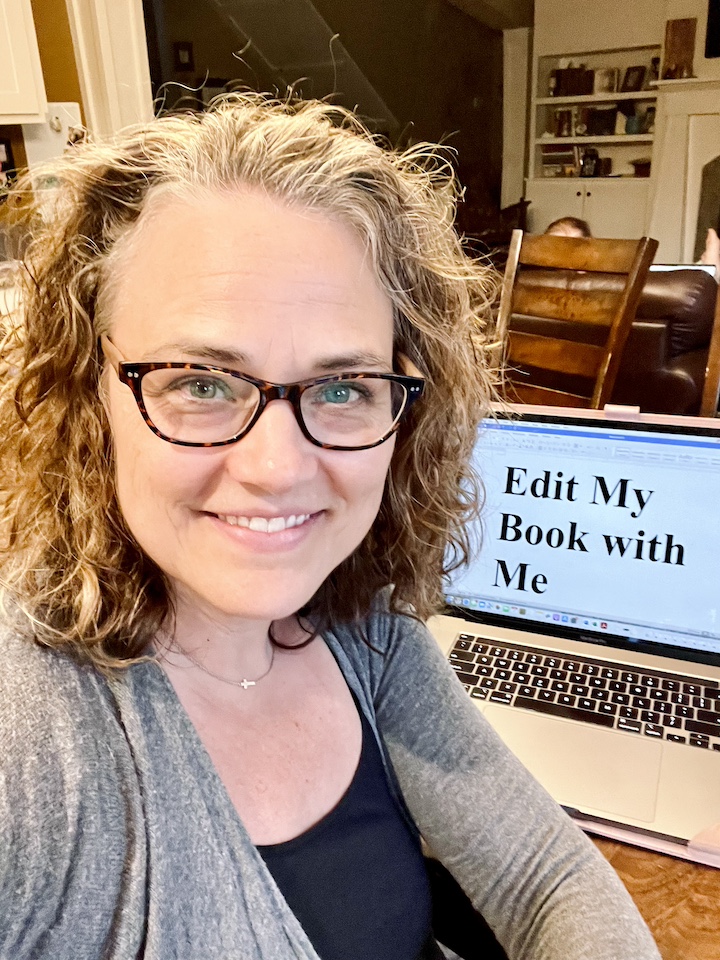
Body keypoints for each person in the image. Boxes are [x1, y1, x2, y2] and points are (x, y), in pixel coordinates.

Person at [0, 95, 660, 960]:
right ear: (91, 391)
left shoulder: (368, 640)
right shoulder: (30, 735)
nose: (277, 466)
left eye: (343, 387)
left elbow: (548, 879)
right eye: (201, 382)